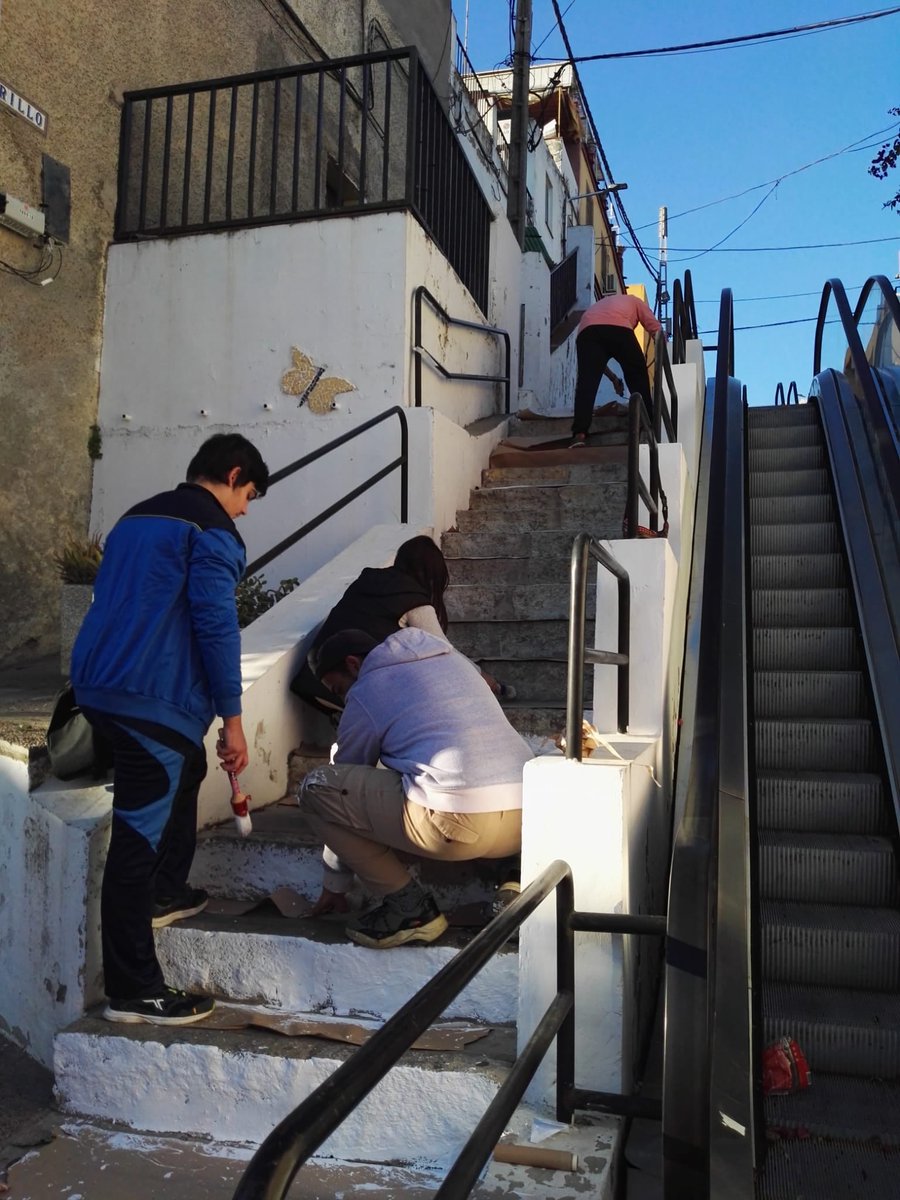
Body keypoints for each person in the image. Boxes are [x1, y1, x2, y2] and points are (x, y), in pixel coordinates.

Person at [71, 433, 269, 1025]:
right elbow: (216, 624)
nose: (246, 509)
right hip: (150, 703)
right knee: (134, 841)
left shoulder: (136, 517)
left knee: (189, 768)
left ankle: (167, 889)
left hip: (98, 687)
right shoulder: (213, 532)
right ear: (234, 475)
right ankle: (134, 990)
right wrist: (234, 723)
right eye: (249, 496)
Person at [298, 627, 533, 948]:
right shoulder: (455, 662)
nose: (342, 697)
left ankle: (410, 910)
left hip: (459, 824)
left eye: (336, 689)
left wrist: (335, 882)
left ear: (353, 664)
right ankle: (514, 877)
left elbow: (342, 784)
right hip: (528, 820)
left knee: (316, 788)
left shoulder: (368, 688)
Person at [290, 534, 513, 715]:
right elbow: (445, 652)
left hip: (312, 681)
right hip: (349, 687)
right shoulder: (411, 598)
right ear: (432, 574)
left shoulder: (365, 584)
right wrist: (486, 680)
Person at [570, 291, 663, 448]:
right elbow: (653, 326)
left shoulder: (601, 304)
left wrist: (614, 379)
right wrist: (663, 343)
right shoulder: (635, 301)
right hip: (619, 328)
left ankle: (579, 434)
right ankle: (647, 421)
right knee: (637, 372)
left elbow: (596, 364)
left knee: (587, 382)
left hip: (587, 330)